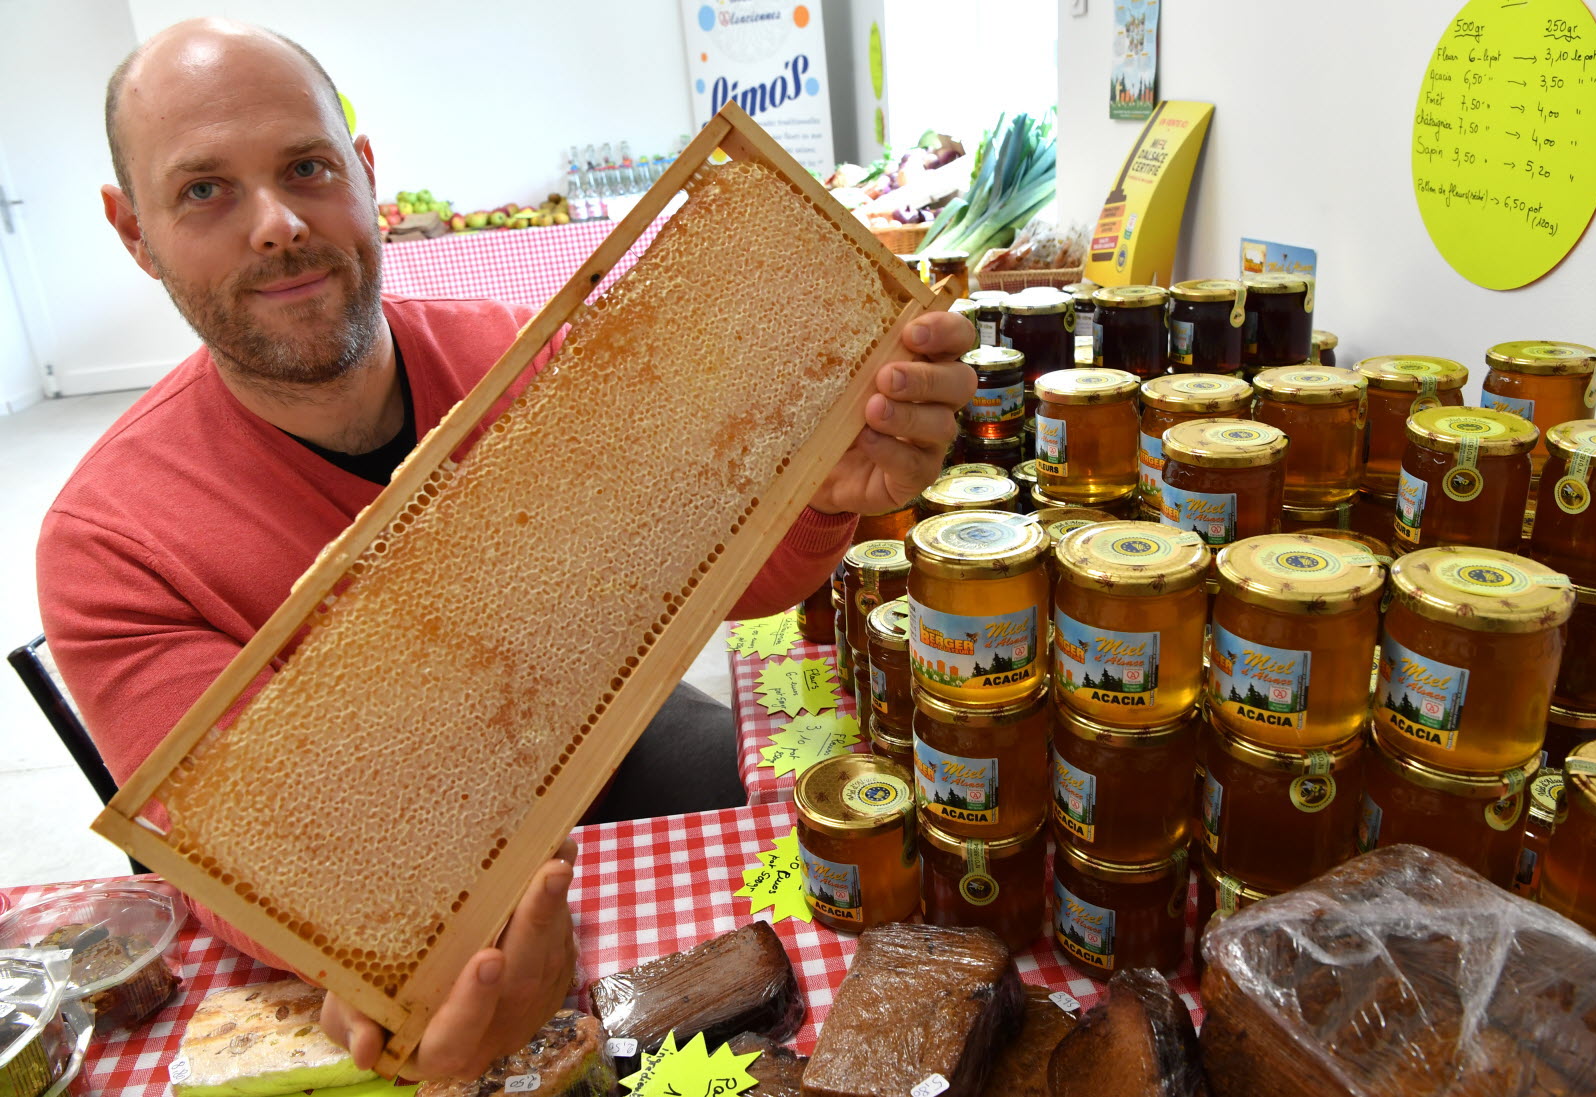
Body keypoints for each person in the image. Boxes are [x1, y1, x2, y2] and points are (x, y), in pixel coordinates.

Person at [36, 17, 975, 1084]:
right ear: (133, 230)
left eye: (307, 166)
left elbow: (728, 578)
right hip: (414, 866)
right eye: (204, 190)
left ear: (365, 172)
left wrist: (817, 489)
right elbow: (268, 878)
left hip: (593, 731)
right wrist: (430, 959)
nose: (278, 225)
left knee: (824, 872)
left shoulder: (523, 363)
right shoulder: (110, 539)